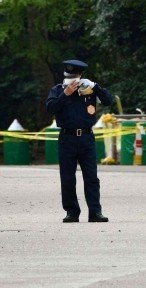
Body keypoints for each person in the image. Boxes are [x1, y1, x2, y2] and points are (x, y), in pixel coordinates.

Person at [45, 59, 113, 223]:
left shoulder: (88, 90)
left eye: (75, 77)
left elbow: (108, 101)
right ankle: (72, 212)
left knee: (91, 177)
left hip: (86, 137)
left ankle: (95, 212)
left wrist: (95, 86)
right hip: (67, 138)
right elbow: (50, 108)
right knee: (67, 177)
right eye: (69, 77)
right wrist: (65, 94)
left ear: (81, 76)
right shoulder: (58, 90)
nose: (72, 81)